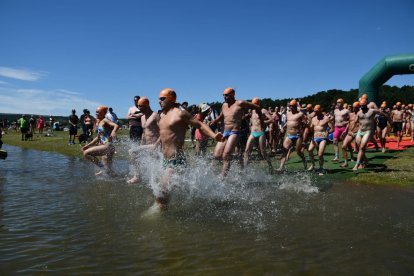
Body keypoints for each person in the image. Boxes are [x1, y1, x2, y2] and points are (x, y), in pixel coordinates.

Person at [151, 88, 222, 211]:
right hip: (165, 160)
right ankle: (202, 198)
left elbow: (199, 124)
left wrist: (214, 135)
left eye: (162, 99)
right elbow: (164, 135)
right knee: (173, 188)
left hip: (176, 159)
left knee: (162, 190)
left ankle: (159, 214)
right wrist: (155, 146)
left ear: (171, 98)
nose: (159, 101)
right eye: (159, 99)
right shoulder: (162, 115)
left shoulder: (180, 113)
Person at [211, 87, 264, 177]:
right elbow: (222, 116)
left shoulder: (240, 103)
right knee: (216, 155)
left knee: (226, 155)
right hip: (225, 132)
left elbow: (256, 107)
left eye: (226, 95)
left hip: (234, 132)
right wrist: (215, 121)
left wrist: (261, 120)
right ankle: (235, 164)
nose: (224, 97)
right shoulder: (224, 105)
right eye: (223, 95)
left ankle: (223, 177)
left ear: (232, 95)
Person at [127, 97, 160, 184]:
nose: (139, 108)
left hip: (156, 145)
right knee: (134, 152)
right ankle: (138, 177)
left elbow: (164, 131)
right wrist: (141, 145)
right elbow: (144, 133)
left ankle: (141, 178)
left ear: (147, 105)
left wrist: (156, 145)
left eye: (141, 106)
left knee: (155, 163)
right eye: (138, 106)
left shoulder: (155, 115)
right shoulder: (142, 117)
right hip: (148, 145)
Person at [352, 99, 389, 171]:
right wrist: (350, 130)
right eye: (361, 106)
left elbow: (381, 113)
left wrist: (388, 118)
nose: (361, 107)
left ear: (366, 104)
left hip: (368, 131)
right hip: (360, 131)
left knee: (362, 147)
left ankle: (357, 164)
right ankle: (365, 160)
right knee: (360, 148)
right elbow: (355, 122)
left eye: (363, 105)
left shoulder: (372, 111)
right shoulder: (359, 113)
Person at [82, 106, 120, 175]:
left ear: (103, 113)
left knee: (86, 153)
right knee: (109, 171)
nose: (96, 113)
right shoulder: (99, 122)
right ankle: (114, 176)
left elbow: (116, 126)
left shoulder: (105, 120)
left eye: (98, 112)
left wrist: (114, 132)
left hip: (107, 146)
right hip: (105, 146)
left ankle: (102, 168)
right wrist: (87, 146)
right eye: (96, 112)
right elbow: (98, 138)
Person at [243, 97, 273, 173]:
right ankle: (245, 169)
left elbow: (271, 119)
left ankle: (270, 165)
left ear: (258, 104)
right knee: (246, 151)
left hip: (260, 132)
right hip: (253, 133)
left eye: (255, 104)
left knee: (263, 152)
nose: (253, 105)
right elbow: (250, 118)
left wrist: (264, 122)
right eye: (253, 104)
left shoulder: (263, 110)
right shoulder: (251, 111)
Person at [276, 99, 307, 171]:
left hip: (298, 135)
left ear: (296, 106)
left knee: (298, 151)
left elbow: (306, 123)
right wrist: (283, 128)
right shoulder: (287, 113)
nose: (291, 107)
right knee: (285, 150)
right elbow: (288, 122)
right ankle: (281, 167)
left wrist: (303, 125)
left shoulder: (300, 114)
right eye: (290, 106)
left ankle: (304, 162)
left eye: (293, 106)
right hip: (289, 134)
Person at [307, 105, 333, 174]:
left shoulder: (326, 118)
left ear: (320, 110)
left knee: (320, 154)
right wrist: (307, 125)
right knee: (309, 150)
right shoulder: (313, 119)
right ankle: (313, 165)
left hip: (323, 138)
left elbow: (332, 129)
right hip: (315, 137)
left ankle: (321, 168)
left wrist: (327, 133)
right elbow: (311, 129)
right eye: (314, 111)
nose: (315, 113)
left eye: (316, 111)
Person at [340, 102, 360, 167]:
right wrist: (345, 131)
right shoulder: (351, 114)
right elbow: (349, 123)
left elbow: (364, 124)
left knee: (360, 148)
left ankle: (362, 162)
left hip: (358, 133)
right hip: (350, 132)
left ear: (359, 107)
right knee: (343, 146)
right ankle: (346, 162)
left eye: (355, 107)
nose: (354, 108)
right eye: (353, 107)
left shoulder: (361, 114)